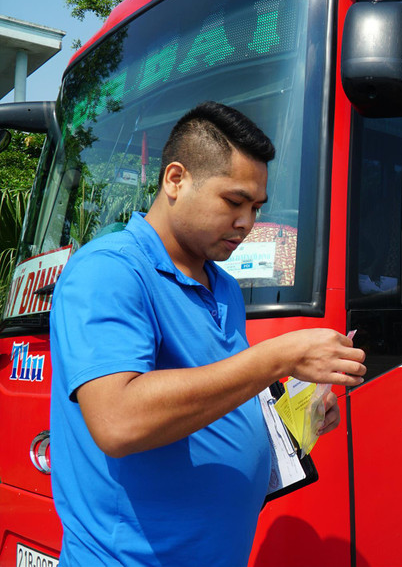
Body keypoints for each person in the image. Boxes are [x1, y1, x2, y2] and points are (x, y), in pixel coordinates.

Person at [49, 101, 366, 566]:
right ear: (175, 180)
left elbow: (217, 388)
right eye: (233, 202)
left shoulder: (223, 287)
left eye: (256, 207)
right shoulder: (109, 270)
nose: (247, 223)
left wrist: (294, 415)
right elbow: (118, 420)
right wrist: (275, 359)